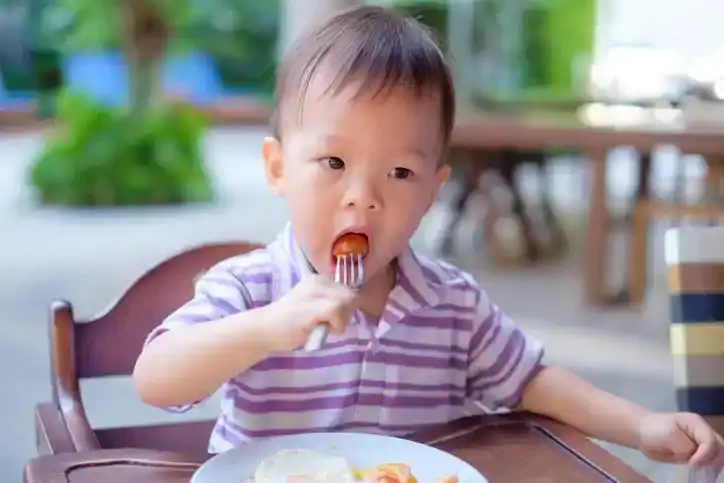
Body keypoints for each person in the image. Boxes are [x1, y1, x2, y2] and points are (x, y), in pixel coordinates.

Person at [133, 4, 724, 470]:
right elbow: (157, 378)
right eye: (334, 163)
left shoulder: (452, 303)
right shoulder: (249, 288)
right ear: (278, 168)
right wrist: (267, 327)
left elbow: (532, 381)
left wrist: (642, 427)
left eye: (399, 173)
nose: (363, 196)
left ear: (434, 189)